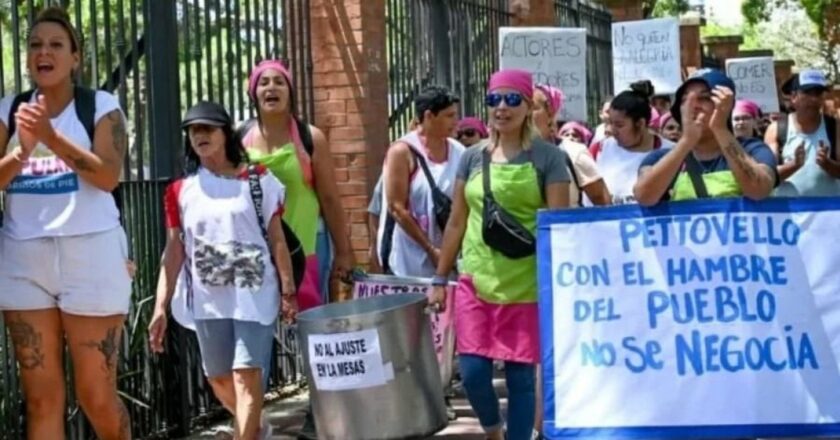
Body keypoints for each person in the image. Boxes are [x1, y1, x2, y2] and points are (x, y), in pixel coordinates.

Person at [0, 8, 132, 439]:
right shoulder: (9, 110)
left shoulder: (102, 106)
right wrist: (22, 150)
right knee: (40, 399)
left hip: (90, 253)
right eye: (36, 44)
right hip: (24, 256)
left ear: (75, 57)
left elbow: (108, 176)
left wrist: (51, 138)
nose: (44, 51)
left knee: (97, 398)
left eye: (56, 44)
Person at [429, 69, 570, 440]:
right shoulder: (472, 158)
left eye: (512, 100)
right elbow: (457, 222)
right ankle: (493, 429)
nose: (502, 108)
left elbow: (558, 226)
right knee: (473, 373)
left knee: (521, 378)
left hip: (526, 283)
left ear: (528, 106)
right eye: (495, 100)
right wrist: (440, 278)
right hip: (476, 280)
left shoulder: (549, 158)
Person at [148, 101, 294, 440]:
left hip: (254, 294)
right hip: (208, 298)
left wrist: (288, 291)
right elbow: (173, 250)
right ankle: (256, 429)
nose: (199, 135)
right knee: (218, 379)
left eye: (207, 129)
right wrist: (160, 306)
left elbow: (277, 241)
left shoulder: (260, 181)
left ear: (225, 133)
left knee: (246, 375)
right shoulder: (179, 191)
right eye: (193, 130)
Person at [240, 59, 354, 308]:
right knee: (262, 324)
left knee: (307, 322)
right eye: (264, 83)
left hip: (307, 245)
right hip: (258, 249)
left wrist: (344, 252)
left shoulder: (310, 137)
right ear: (253, 93)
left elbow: (330, 199)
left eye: (280, 82)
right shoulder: (240, 140)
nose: (272, 88)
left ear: (290, 92)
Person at [634, 69, 778, 205]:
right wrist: (686, 142)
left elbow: (759, 190)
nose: (694, 106)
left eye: (704, 98)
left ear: (726, 105)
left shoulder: (753, 150)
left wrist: (720, 129)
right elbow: (644, 197)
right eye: (685, 100)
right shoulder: (660, 158)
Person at [378, 85, 464, 277]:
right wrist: (430, 249)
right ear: (429, 116)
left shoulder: (459, 152)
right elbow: (397, 208)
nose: (456, 122)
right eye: (449, 116)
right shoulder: (402, 152)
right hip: (407, 259)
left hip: (449, 257)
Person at [590, 80, 674, 205]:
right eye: (610, 123)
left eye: (619, 125)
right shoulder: (599, 150)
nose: (613, 130)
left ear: (640, 124)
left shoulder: (672, 153)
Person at [766, 69, 840, 196]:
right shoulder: (776, 129)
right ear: (794, 97)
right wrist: (793, 165)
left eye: (818, 93)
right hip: (789, 213)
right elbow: (767, 176)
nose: (813, 99)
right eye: (807, 93)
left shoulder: (835, 126)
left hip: (828, 212)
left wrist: (827, 164)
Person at [534, 86, 610, 208]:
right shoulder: (502, 154)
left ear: (550, 113)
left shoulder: (574, 152)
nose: (526, 113)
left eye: (533, 108)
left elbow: (603, 202)